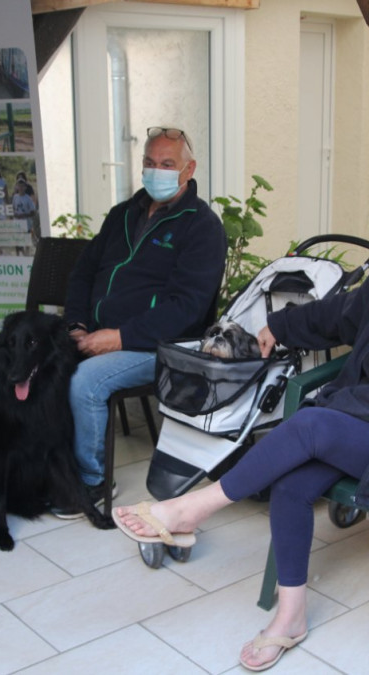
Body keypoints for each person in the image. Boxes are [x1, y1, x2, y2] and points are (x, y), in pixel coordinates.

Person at [114, 168, 369, 671]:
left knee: (310, 424)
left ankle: (190, 510)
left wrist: (332, 407)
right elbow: (336, 316)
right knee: (293, 480)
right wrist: (278, 325)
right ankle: (291, 616)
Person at [56, 126, 227, 517]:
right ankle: (47, 469)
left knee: (85, 382)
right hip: (97, 333)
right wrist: (76, 324)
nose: (156, 171)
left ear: (188, 170)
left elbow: (187, 308)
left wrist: (119, 337)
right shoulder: (122, 215)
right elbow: (83, 273)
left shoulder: (202, 227)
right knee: (36, 366)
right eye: (150, 162)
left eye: (167, 164)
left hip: (162, 346)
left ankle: (91, 482)